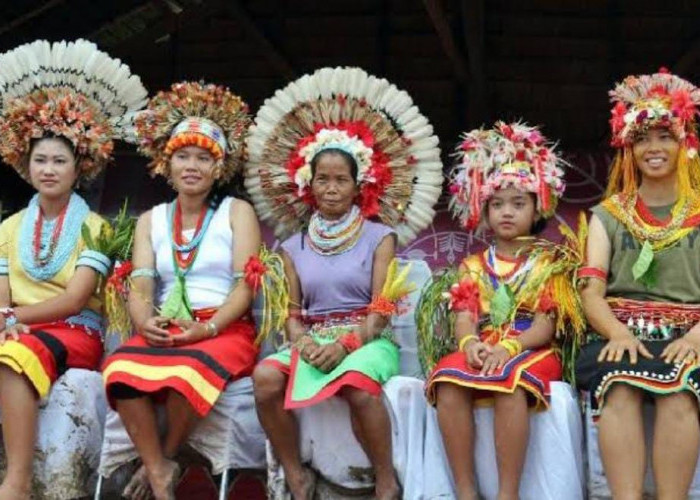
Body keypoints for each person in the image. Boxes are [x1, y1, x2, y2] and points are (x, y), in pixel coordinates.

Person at [245, 66, 443, 500]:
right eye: (323, 179)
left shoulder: (380, 238)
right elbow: (290, 315)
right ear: (308, 185)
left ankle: (386, 481)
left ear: (358, 187)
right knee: (263, 378)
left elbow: (384, 308)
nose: (331, 188)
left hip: (368, 340)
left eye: (341, 180)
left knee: (356, 385)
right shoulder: (291, 246)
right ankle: (296, 474)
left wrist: (347, 345)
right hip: (313, 340)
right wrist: (302, 343)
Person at [101, 81, 261, 500]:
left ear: (219, 168)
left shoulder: (236, 212)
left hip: (222, 330)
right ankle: (159, 470)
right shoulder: (151, 220)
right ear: (166, 166)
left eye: (204, 158)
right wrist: (145, 322)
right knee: (119, 371)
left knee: (188, 369)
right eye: (183, 157)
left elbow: (247, 284)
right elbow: (141, 283)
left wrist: (207, 331)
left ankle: (164, 458)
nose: (192, 166)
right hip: (167, 326)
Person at [0, 39, 146, 499]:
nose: (48, 169)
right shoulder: (9, 226)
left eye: (59, 161)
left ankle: (18, 481)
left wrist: (11, 322)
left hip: (74, 333)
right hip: (16, 325)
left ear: (77, 169)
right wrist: (5, 318)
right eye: (40, 160)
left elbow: (76, 298)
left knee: (12, 359)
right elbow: (2, 292)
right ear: (25, 167)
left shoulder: (96, 226)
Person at [422, 121, 581, 500]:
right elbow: (464, 314)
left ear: (539, 207)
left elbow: (547, 324)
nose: (507, 212)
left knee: (509, 381)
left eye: (518, 203)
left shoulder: (551, 262)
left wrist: (510, 348)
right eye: (497, 204)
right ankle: (465, 491)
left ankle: (507, 493)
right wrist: (470, 342)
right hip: (486, 343)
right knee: (446, 377)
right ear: (484, 209)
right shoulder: (473, 266)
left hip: (532, 349)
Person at [576, 68, 700, 499]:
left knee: (678, 391)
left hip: (691, 336)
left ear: (685, 143)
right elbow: (591, 292)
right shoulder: (607, 215)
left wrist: (698, 338)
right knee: (619, 384)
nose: (654, 147)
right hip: (622, 332)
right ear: (629, 147)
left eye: (665, 136)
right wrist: (617, 332)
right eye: (643, 137)